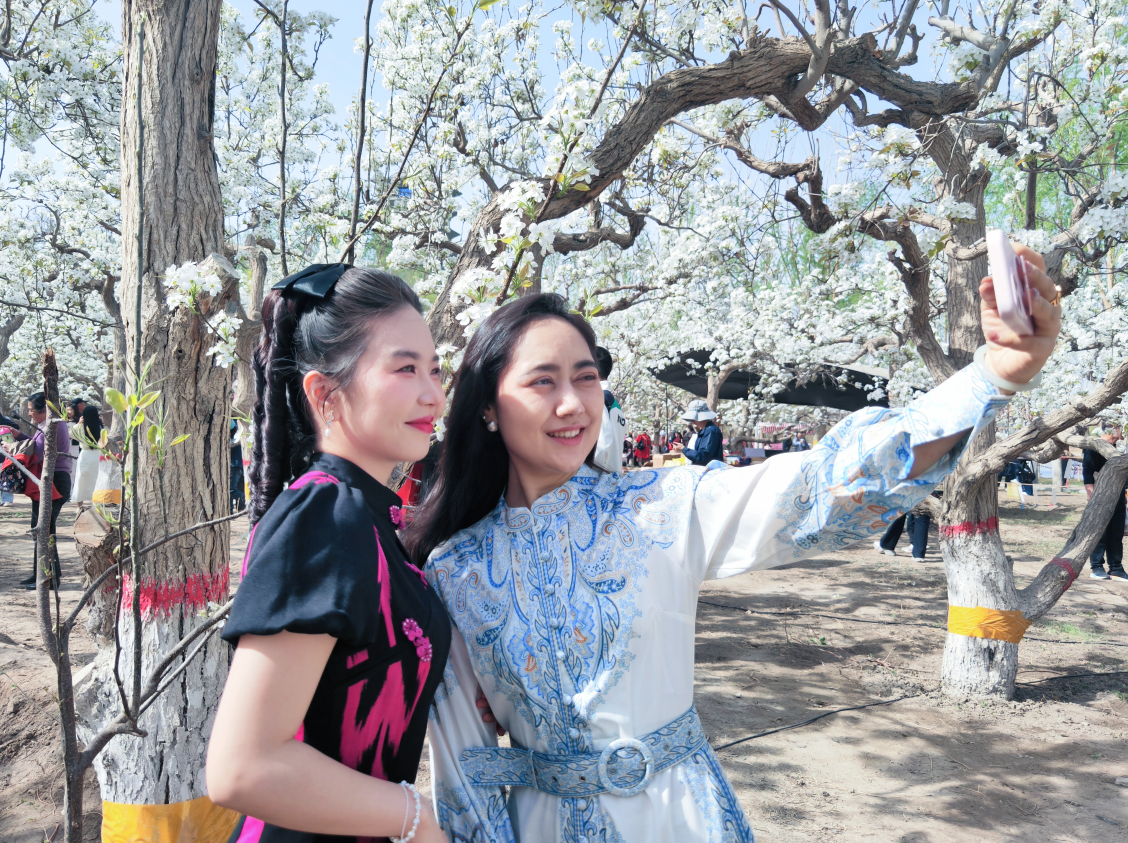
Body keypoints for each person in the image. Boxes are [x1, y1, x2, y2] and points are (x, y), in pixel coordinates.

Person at [405, 244, 1059, 843]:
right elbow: (466, 764)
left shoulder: (660, 507)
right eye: (543, 381)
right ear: (487, 406)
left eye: (585, 377)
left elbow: (820, 484)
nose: (574, 403)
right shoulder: (456, 570)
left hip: (681, 819)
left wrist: (992, 376)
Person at [207, 264, 456, 843]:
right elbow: (243, 767)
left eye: (435, 370)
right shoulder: (326, 516)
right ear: (325, 394)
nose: (433, 395)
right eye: (405, 368)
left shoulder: (366, 516)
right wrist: (415, 818)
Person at [1, 393, 72, 589]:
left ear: (43, 410)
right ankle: (40, 574)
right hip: (49, 481)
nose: (29, 413)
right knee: (41, 529)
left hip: (54, 481)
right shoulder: (47, 425)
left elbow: (38, 452)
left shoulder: (53, 425)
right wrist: (18, 435)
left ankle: (48, 578)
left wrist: (13, 446)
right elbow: (36, 443)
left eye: (31, 410)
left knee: (43, 531)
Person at [1082, 428, 1127, 581]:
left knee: (1116, 532)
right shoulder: (1095, 446)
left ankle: (1116, 567)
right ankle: (1097, 566)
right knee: (1099, 532)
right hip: (1100, 494)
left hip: (1118, 494)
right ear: (1113, 430)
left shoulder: (1119, 448)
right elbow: (1087, 470)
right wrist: (1091, 493)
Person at [71, 405, 103, 511]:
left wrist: (79, 423)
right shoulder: (101, 426)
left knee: (81, 479)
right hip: (97, 455)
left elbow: (71, 434)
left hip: (85, 455)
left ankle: (79, 505)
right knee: (96, 479)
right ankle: (95, 503)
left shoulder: (80, 427)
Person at [673, 399, 723, 466]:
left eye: (693, 418)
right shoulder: (705, 431)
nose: (692, 421)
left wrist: (684, 449)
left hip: (711, 470)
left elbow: (702, 457)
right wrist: (683, 450)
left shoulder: (711, 431)